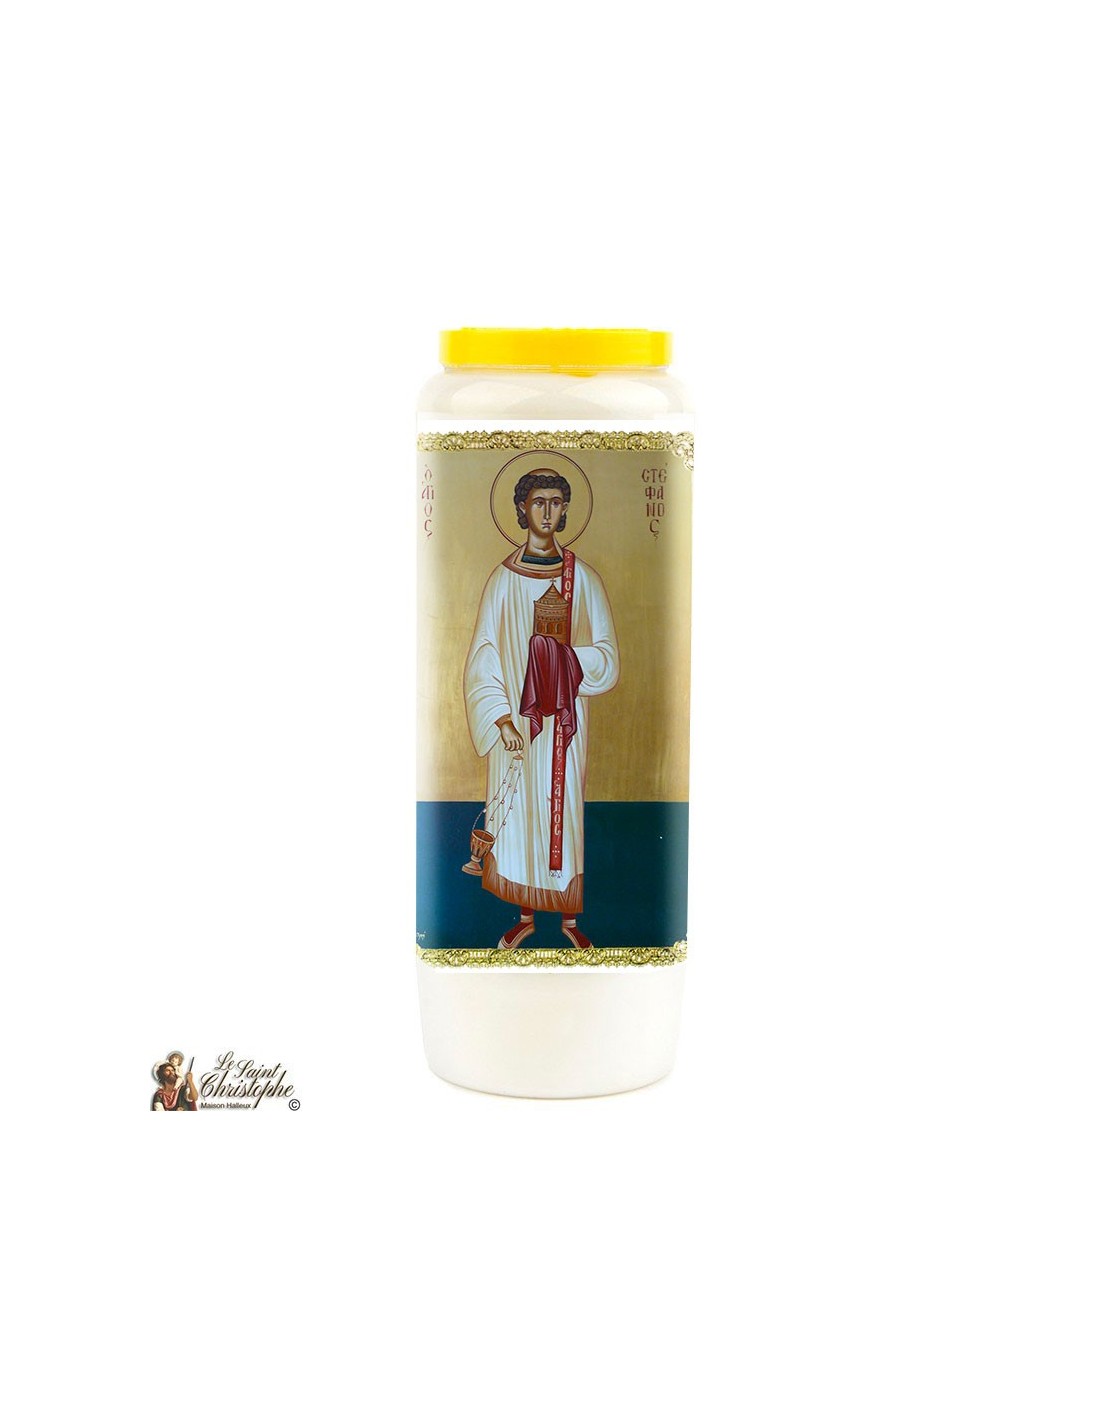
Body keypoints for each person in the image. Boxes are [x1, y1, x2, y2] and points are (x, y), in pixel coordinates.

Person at [464, 470, 619, 950]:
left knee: (561, 814)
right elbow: (484, 655)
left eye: (555, 502)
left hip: (564, 728)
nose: (547, 512)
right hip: (517, 726)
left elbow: (607, 657)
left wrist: (562, 661)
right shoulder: (503, 581)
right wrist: (501, 719)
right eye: (538, 502)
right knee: (519, 821)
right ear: (522, 509)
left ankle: (570, 920)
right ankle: (525, 916)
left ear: (566, 509)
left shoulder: (582, 580)